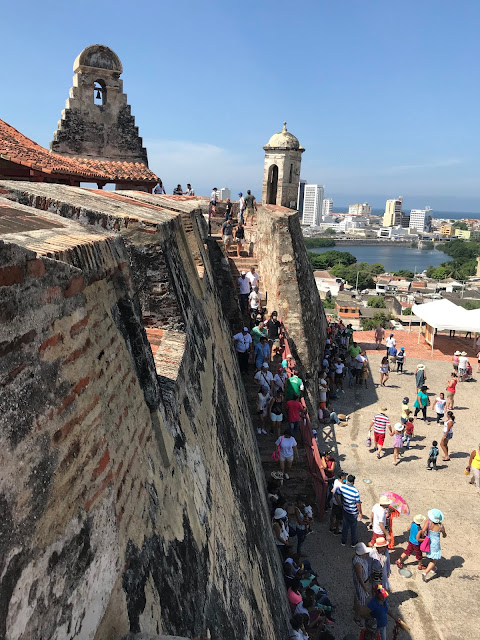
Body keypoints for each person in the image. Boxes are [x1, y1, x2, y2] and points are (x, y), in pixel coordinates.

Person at [417, 508, 446, 581]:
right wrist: (443, 533)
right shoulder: (441, 526)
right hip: (435, 543)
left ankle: (433, 568)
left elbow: (423, 530)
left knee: (431, 555)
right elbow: (444, 535)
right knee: (435, 559)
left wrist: (424, 536)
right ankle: (425, 572)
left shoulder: (428, 522)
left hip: (429, 541)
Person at [339, 474, 363, 547]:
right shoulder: (355, 491)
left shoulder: (342, 487)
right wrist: (360, 512)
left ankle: (343, 541)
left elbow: (337, 494)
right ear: (353, 482)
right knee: (353, 528)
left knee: (345, 526)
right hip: (353, 512)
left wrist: (341, 503)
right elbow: (358, 503)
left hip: (345, 509)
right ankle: (353, 542)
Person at [352, 542, 372, 625]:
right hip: (361, 584)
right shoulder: (358, 563)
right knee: (361, 601)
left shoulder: (356, 557)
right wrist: (364, 587)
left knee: (357, 597)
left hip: (362, 582)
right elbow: (359, 577)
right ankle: (357, 617)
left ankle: (355, 608)